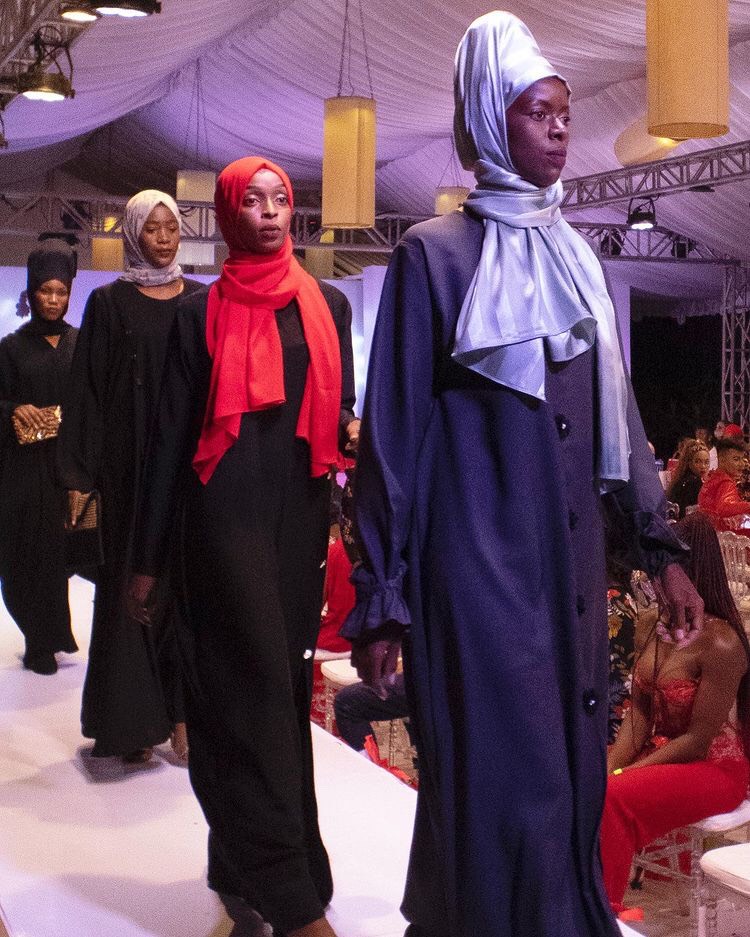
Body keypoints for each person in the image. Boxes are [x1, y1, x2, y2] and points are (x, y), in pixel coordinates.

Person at [342, 12, 699, 937]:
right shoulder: (434, 254)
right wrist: (383, 594)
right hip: (478, 569)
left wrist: (661, 548)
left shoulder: (577, 257)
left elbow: (618, 420)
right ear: (489, 121)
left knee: (567, 770)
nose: (559, 128)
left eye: (564, 112)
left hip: (569, 569)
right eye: (536, 111)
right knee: (507, 773)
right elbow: (392, 437)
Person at [128, 157, 358, 937]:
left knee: (274, 702)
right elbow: (168, 445)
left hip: (297, 527)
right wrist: (146, 559)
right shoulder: (198, 316)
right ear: (227, 214)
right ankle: (295, 900)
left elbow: (343, 420)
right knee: (252, 698)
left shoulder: (328, 305)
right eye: (251, 201)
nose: (268, 212)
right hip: (219, 528)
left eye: (279, 199)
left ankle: (239, 874)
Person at [57, 190, 202, 761]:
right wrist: (79, 475)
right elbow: (87, 391)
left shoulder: (201, 297)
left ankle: (185, 715)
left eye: (172, 228)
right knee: (130, 592)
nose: (164, 239)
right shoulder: (111, 303)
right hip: (130, 467)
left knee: (185, 589)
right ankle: (134, 723)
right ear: (133, 233)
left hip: (189, 462)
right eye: (152, 229)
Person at [601, 513, 750, 914]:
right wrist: (608, 767)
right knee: (586, 784)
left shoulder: (721, 643)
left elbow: (697, 741)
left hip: (714, 769)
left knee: (613, 796)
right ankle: (571, 899)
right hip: (663, 753)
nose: (650, 579)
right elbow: (638, 716)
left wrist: (624, 775)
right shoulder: (651, 623)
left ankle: (604, 910)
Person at [0, 240, 79, 675]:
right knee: (22, 554)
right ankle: (36, 636)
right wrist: (14, 409)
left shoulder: (81, 345)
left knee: (58, 555)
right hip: (24, 467)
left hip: (67, 463)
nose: (53, 300)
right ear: (31, 293)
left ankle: (49, 637)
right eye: (45, 291)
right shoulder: (11, 348)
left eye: (61, 292)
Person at [698, 436, 750, 532]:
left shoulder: (713, 477)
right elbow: (724, 508)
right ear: (722, 460)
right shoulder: (726, 482)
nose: (742, 464)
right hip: (719, 538)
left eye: (742, 459)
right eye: (736, 459)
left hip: (706, 534)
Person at [666, 438, 710, 519]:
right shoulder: (694, 483)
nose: (703, 466)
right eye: (697, 461)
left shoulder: (681, 479)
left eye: (706, 462)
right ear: (689, 463)